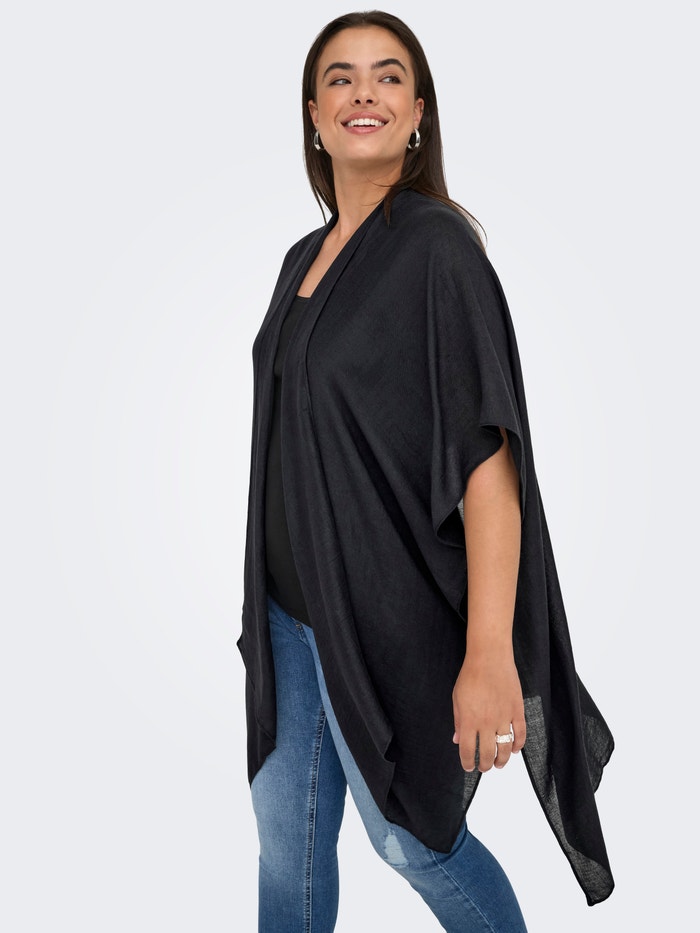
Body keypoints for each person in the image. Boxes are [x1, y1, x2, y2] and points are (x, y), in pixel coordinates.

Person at [238, 10, 614, 932]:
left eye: (388, 76)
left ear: (418, 115)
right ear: (314, 117)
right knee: (287, 849)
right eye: (339, 77)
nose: (362, 92)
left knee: (412, 840)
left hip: (386, 613)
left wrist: (488, 653)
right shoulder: (301, 259)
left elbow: (489, 462)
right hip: (288, 616)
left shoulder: (437, 250)